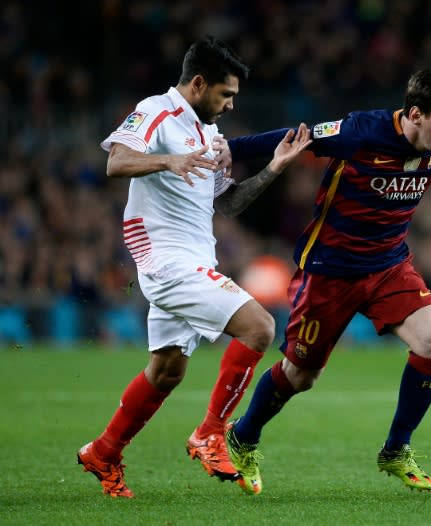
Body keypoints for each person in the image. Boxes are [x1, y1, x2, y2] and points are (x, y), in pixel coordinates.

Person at [221, 67, 431, 494]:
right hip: (329, 271)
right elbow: (296, 135)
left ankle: (396, 449)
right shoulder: (360, 131)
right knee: (300, 375)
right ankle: (243, 435)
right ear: (416, 114)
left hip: (389, 266)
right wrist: (230, 149)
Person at [77, 36, 312, 498]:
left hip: (195, 258)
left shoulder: (210, 134)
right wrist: (168, 159)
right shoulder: (158, 111)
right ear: (199, 83)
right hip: (165, 260)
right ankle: (210, 432)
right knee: (260, 328)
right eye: (225, 95)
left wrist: (274, 168)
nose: (228, 105)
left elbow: (228, 203)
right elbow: (116, 161)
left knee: (166, 371)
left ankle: (103, 452)